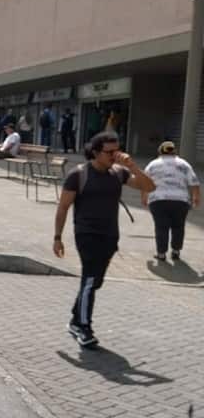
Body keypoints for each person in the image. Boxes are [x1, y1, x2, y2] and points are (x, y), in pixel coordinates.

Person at [53, 132, 155, 349]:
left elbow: (149, 187)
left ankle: (74, 317)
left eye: (117, 151)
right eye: (110, 152)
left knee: (94, 282)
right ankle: (83, 326)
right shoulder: (78, 175)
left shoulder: (119, 173)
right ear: (97, 152)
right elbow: (63, 207)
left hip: (110, 235)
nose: (115, 156)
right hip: (86, 233)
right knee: (89, 279)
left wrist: (133, 167)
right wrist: (57, 237)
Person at [142, 141, 200, 261]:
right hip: (181, 201)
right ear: (175, 151)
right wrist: (196, 197)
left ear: (160, 152)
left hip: (158, 200)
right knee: (178, 226)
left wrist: (144, 197)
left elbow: (144, 181)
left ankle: (161, 253)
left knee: (161, 227)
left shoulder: (153, 164)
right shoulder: (184, 164)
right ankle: (176, 251)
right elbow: (194, 182)